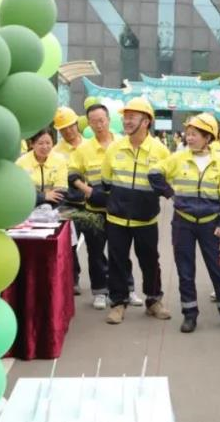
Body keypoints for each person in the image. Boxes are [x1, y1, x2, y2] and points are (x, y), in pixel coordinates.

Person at [150, 113, 220, 334]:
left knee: (219, 271)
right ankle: (189, 315)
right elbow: (154, 173)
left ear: (207, 137)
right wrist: (169, 193)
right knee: (185, 271)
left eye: (194, 134)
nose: (189, 138)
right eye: (188, 134)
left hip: (211, 225)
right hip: (183, 224)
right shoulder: (179, 157)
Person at [91, 97, 173, 324]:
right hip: (116, 218)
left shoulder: (161, 151)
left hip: (146, 220)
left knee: (150, 262)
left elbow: (167, 182)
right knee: (117, 262)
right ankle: (118, 304)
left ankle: (153, 301)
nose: (126, 121)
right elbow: (106, 182)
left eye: (132, 117)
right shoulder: (114, 148)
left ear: (146, 121)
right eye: (125, 117)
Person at [70, 103, 142, 311]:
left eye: (102, 120)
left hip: (120, 209)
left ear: (109, 120)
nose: (99, 125)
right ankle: (100, 292)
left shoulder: (123, 143)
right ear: (89, 124)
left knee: (121, 252)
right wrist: (87, 190)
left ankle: (128, 289)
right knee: (95, 253)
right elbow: (72, 174)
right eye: (94, 122)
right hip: (94, 211)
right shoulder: (83, 149)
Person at [52, 107, 86, 295]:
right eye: (63, 129)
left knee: (97, 246)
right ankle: (73, 279)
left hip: (91, 203)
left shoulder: (89, 145)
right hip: (68, 204)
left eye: (70, 126)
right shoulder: (56, 152)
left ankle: (102, 285)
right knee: (70, 244)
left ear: (76, 124)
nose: (68, 131)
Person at [16, 128, 68, 206]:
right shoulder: (21, 163)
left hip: (52, 208)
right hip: (28, 207)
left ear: (53, 143)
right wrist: (43, 196)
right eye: (40, 143)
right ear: (32, 144)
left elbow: (61, 193)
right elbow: (20, 193)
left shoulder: (60, 160)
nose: (45, 147)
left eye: (48, 143)